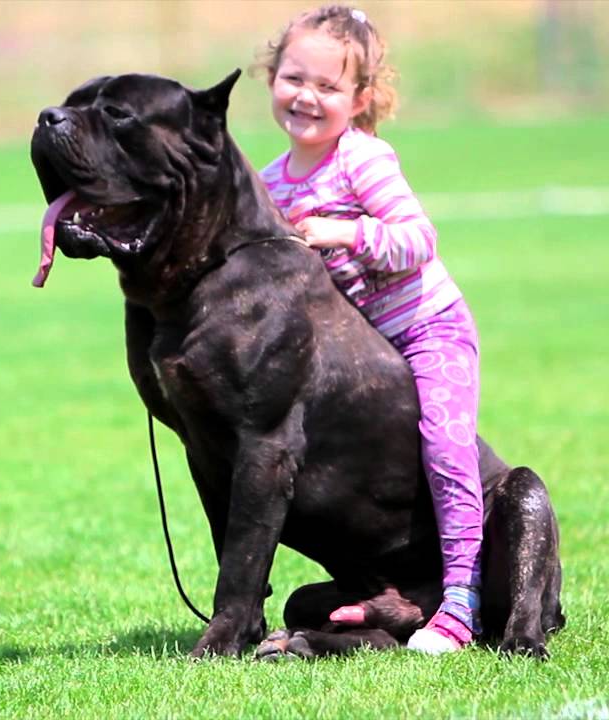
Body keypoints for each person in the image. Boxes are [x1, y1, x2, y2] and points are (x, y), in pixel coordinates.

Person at [257, 4, 483, 654]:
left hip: (427, 329)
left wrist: (346, 232)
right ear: (273, 76)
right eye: (295, 78)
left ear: (360, 99)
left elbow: (419, 239)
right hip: (364, 359)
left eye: (329, 87)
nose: (307, 96)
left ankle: (462, 602)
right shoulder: (271, 183)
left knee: (444, 449)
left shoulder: (363, 159)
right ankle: (379, 592)